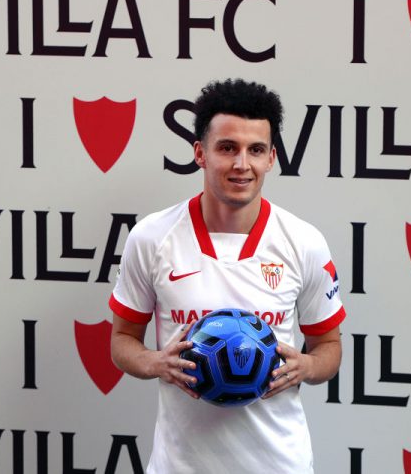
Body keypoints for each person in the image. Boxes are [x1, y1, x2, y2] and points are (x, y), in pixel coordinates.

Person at [109, 78, 345, 473]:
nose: (242, 164)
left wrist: (307, 366)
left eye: (256, 150)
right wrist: (155, 363)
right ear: (200, 153)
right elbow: (121, 340)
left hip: (279, 465)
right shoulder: (152, 237)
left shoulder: (304, 242)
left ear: (271, 158)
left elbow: (329, 349)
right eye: (227, 148)